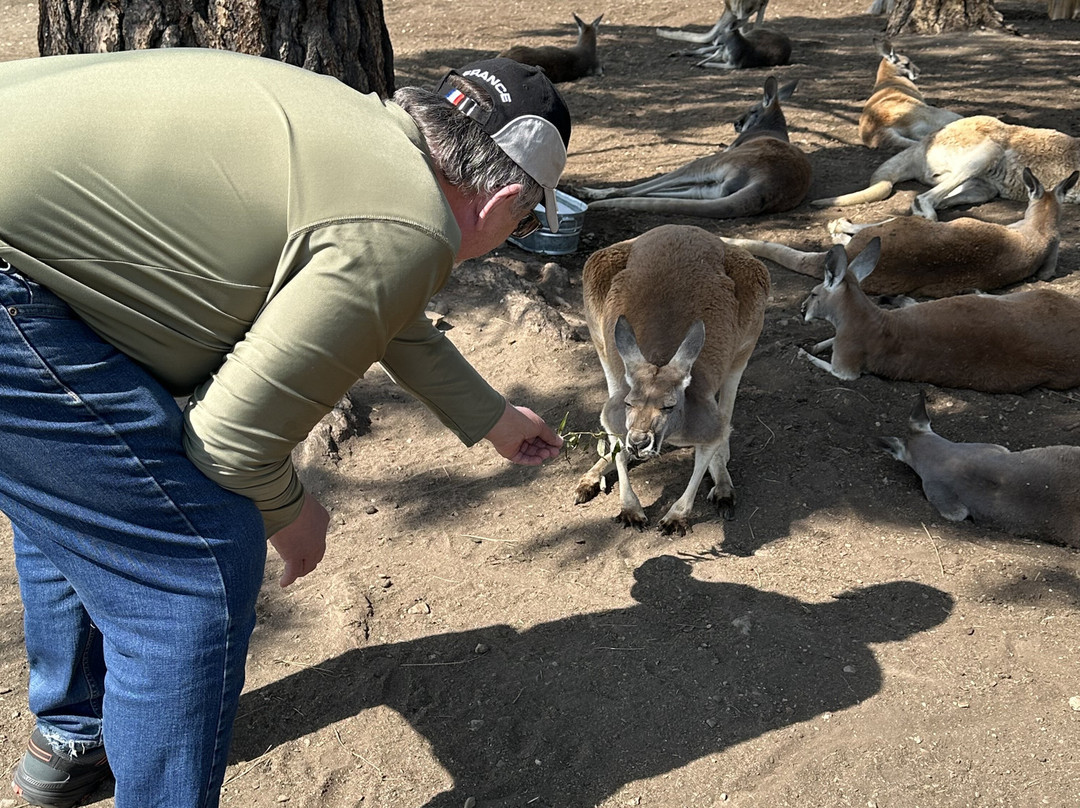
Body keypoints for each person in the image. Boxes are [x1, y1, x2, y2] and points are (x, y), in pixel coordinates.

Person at [0, 48, 570, 808]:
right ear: (504, 202)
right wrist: (291, 513)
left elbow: (386, 310)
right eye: (526, 220)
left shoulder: (360, 136)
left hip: (26, 267)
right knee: (195, 565)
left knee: (86, 484)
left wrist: (492, 419)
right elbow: (229, 442)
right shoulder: (407, 224)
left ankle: (74, 737)